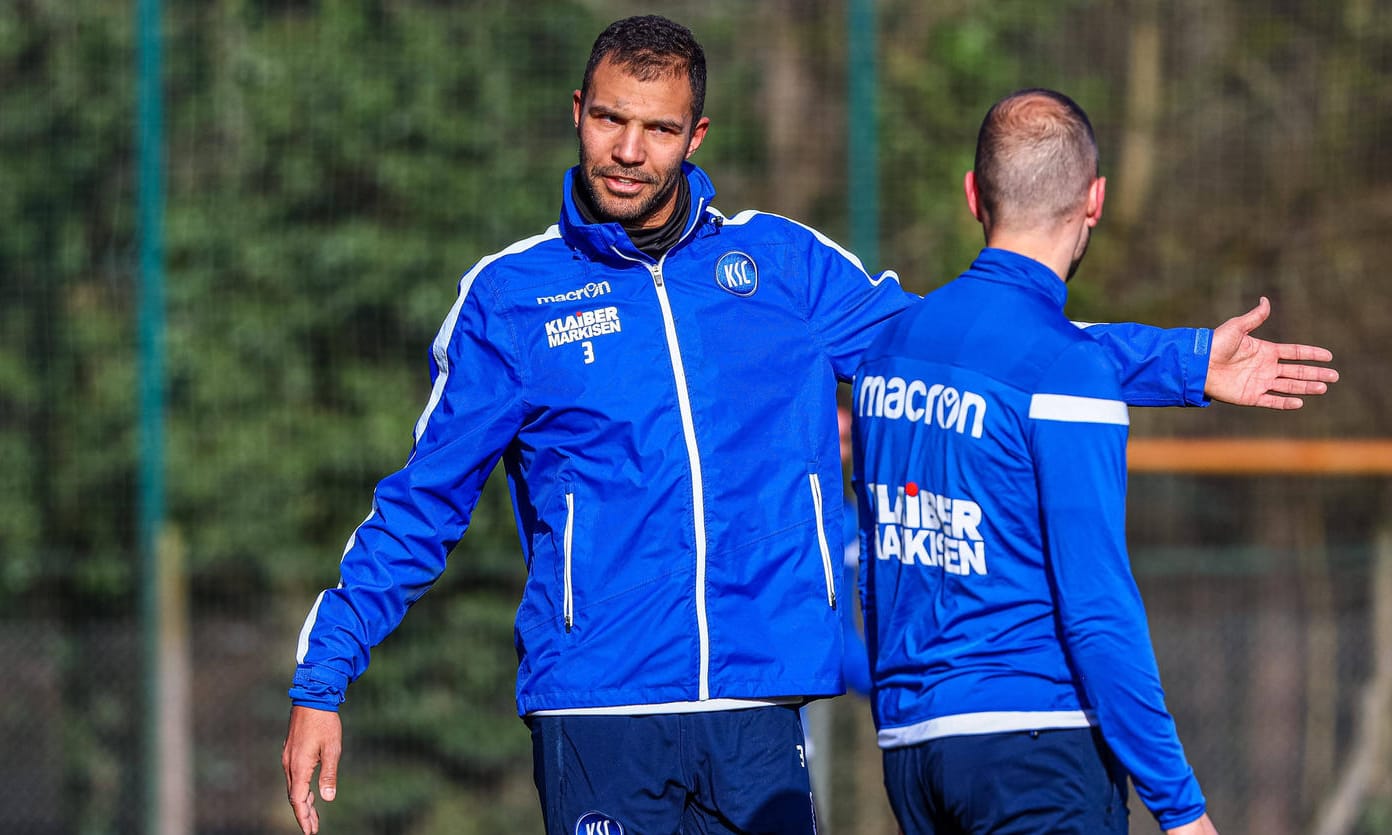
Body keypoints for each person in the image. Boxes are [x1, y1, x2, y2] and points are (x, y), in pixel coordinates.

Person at [281, 17, 1335, 835]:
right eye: (610, 119)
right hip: (597, 712)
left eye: (657, 128)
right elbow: (421, 503)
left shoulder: (784, 268)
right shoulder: (511, 299)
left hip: (760, 709)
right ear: (577, 112)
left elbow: (974, 348)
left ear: (698, 137)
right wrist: (326, 674)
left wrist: (1186, 360)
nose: (628, 151)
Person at [851, 89, 1277, 834]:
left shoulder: (890, 348)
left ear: (973, 194)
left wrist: (1183, 361)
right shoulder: (1067, 374)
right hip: (1033, 747)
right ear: (1095, 201)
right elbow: (1098, 612)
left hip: (910, 747)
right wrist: (1181, 807)